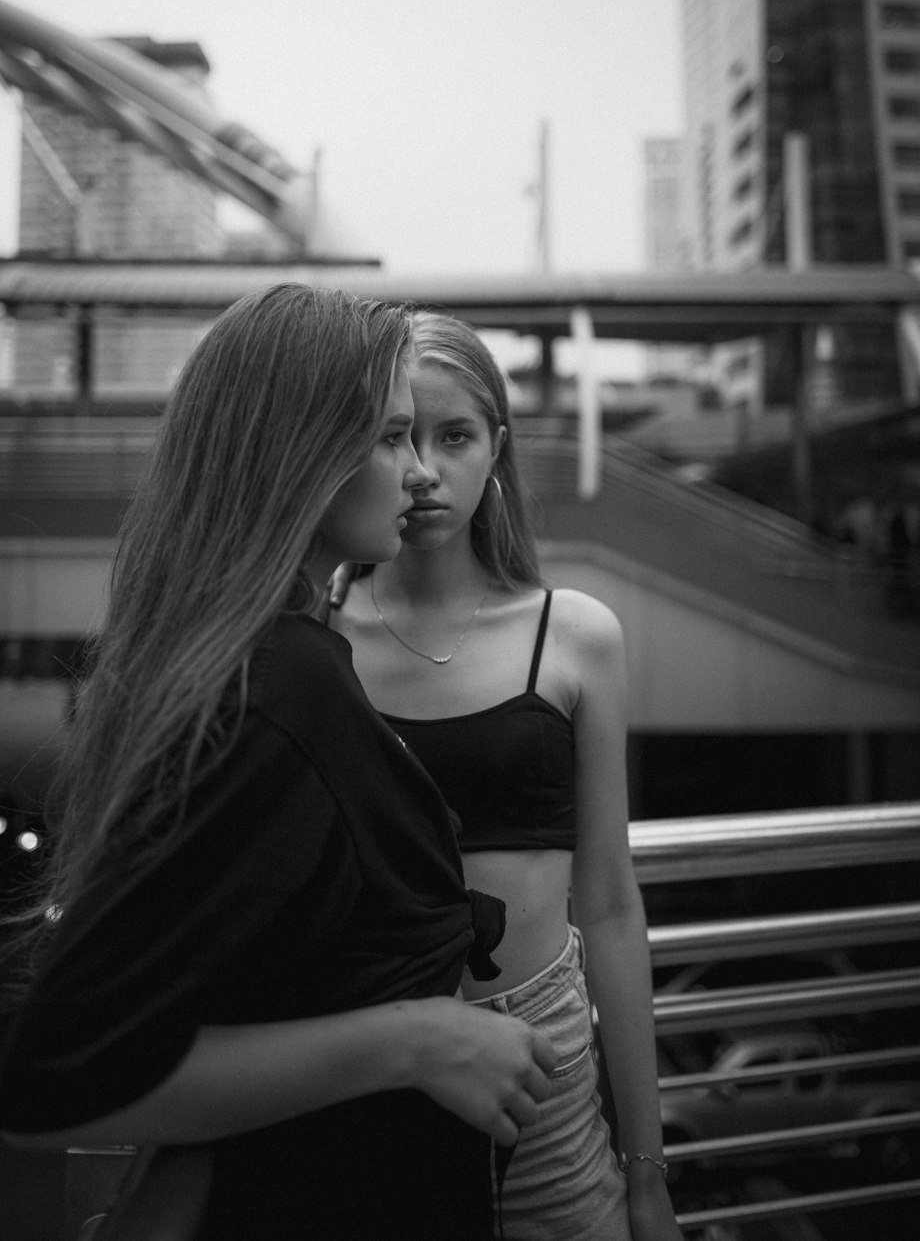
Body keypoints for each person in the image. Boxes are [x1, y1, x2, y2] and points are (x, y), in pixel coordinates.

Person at [0, 286, 557, 1241]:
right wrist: (419, 1040)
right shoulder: (277, 689)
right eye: (389, 438)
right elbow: (61, 1082)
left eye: (426, 438)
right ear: (303, 456)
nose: (418, 474)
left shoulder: (270, 655)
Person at [329, 312, 683, 1240]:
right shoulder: (315, 637)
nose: (425, 470)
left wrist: (646, 1168)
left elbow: (607, 903)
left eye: (458, 437)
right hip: (375, 1055)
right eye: (400, 434)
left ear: (498, 450)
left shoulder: (575, 635)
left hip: (546, 1062)